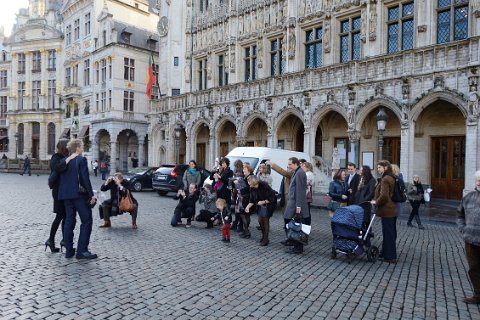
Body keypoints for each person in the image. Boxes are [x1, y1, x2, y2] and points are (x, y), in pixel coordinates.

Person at [57, 139, 98, 259]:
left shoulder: (63, 161)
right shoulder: (81, 160)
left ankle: (69, 250)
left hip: (66, 196)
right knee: (86, 221)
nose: (82, 148)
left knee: (69, 221)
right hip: (79, 195)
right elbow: (85, 179)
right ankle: (82, 250)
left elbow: (58, 171)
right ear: (77, 148)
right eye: (81, 146)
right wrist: (91, 195)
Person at [457, 170, 480, 304]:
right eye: (477, 180)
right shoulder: (469, 197)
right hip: (470, 240)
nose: (479, 182)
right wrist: (463, 230)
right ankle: (478, 294)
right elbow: (460, 215)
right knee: (474, 269)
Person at [45, 139, 72, 253]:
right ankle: (51, 239)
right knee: (60, 215)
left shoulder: (66, 157)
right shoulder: (56, 157)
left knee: (65, 216)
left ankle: (64, 240)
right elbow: (59, 168)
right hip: (58, 191)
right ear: (64, 147)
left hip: (65, 191)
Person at [371, 160, 397, 264]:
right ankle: (386, 253)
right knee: (390, 233)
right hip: (392, 209)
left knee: (388, 233)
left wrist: (376, 202)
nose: (378, 169)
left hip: (387, 210)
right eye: (377, 168)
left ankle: (390, 256)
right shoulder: (391, 177)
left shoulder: (386, 179)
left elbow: (384, 196)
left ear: (385, 167)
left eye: (379, 167)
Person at [284, 157, 310, 254]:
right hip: (293, 203)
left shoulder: (299, 173)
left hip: (296, 204)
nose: (288, 166)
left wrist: (298, 206)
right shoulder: (297, 172)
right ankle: (294, 244)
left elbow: (300, 190)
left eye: (290, 164)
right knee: (292, 224)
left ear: (295, 164)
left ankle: (298, 247)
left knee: (297, 226)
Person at [245, 175, 277, 246]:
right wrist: (247, 207)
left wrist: (263, 202)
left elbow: (272, 198)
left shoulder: (264, 186)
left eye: (249, 181)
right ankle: (263, 236)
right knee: (260, 220)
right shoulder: (252, 188)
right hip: (260, 205)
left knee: (265, 220)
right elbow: (252, 200)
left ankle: (265, 239)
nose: (248, 183)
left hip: (269, 204)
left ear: (253, 182)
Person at [238, 163, 253, 239]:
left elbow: (249, 188)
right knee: (244, 214)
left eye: (245, 169)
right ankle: (246, 231)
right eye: (243, 168)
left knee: (244, 214)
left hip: (247, 198)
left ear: (249, 170)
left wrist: (239, 184)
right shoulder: (246, 177)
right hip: (244, 197)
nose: (243, 170)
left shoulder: (250, 177)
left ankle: (247, 231)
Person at [230, 159, 244, 232]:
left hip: (239, 194)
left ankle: (239, 225)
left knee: (238, 210)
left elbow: (237, 185)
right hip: (239, 194)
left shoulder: (238, 174)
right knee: (238, 210)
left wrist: (233, 194)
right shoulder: (241, 172)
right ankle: (237, 224)